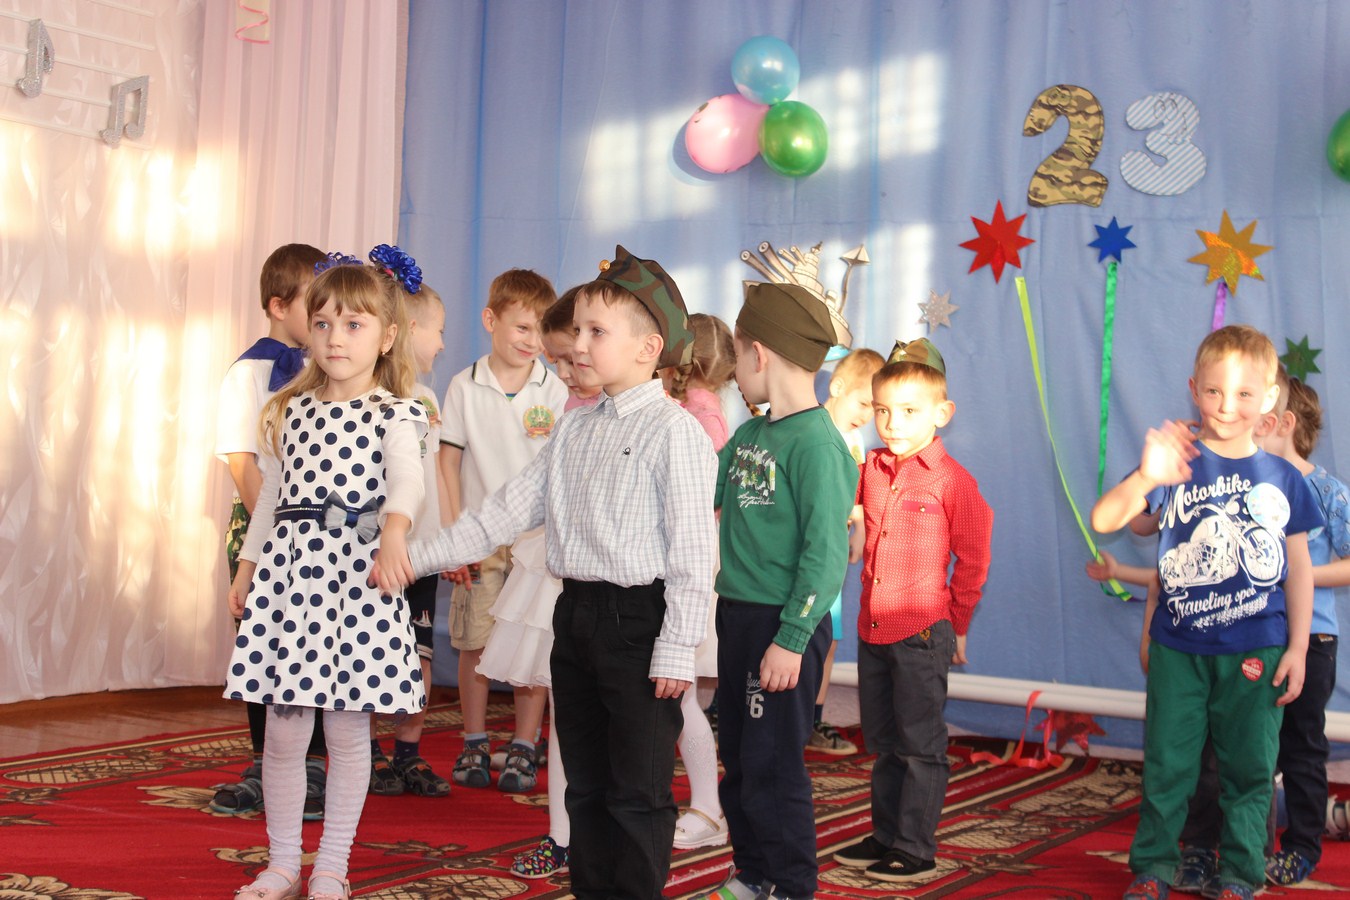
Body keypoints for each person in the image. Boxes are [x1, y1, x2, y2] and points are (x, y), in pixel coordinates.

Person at [384, 245, 717, 900]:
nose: (578, 344)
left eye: (597, 332)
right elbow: (502, 512)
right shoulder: (574, 429)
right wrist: (415, 557)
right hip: (577, 616)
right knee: (584, 785)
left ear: (649, 348)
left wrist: (678, 645)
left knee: (636, 791)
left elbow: (692, 552)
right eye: (578, 330)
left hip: (639, 625)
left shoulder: (675, 431)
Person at [1090, 324, 1322, 900]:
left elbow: (1299, 570)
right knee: (1168, 764)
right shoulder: (1175, 462)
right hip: (1179, 648)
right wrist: (1148, 475)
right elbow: (1106, 520)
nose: (1226, 405)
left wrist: (1297, 647)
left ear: (1270, 398)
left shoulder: (1284, 478)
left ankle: (1241, 873)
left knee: (1249, 768)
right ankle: (1153, 867)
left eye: (1244, 393)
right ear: (1194, 389)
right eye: (1214, 391)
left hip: (1256, 648)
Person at [225, 248, 429, 900]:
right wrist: (248, 566)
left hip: (356, 580)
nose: (336, 338)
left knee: (345, 730)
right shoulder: (291, 409)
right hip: (292, 583)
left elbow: (408, 480)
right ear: (308, 331)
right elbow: (272, 498)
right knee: (285, 733)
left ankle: (332, 866)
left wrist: (393, 531)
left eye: (354, 324)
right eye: (324, 324)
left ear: (386, 336)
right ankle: (284, 863)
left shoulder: (396, 413)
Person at [698, 282, 858, 900]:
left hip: (783, 626)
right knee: (740, 756)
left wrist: (791, 639)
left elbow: (825, 556)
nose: (735, 373)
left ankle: (792, 884)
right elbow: (702, 496)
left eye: (738, 358)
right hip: (738, 618)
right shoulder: (749, 437)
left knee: (774, 765)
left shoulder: (819, 446)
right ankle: (753, 871)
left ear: (759, 354)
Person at [832, 338, 993, 883]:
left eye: (908, 411)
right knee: (885, 744)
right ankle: (886, 835)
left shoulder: (952, 481)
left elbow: (973, 559)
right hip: (873, 630)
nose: (892, 424)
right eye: (882, 410)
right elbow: (839, 500)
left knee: (921, 746)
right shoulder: (872, 468)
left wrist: (957, 625)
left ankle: (915, 847)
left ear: (941, 413)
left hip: (923, 634)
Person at [489, 286, 603, 880]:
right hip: (558, 572)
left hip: (611, 586)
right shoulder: (570, 414)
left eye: (568, 359)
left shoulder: (642, 417)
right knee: (566, 710)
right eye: (555, 360)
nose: (562, 373)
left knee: (608, 723)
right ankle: (561, 836)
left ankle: (603, 838)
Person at [438, 268, 567, 794]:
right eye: (521, 328)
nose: (531, 341)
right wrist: (454, 536)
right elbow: (447, 464)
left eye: (540, 331)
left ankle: (523, 744)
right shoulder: (463, 386)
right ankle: (473, 740)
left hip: (534, 544)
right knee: (475, 643)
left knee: (531, 647)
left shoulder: (554, 389)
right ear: (491, 320)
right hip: (479, 538)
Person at [213, 242, 329, 821]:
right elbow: (244, 464)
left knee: (315, 641)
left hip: (318, 529)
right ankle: (264, 762)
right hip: (265, 527)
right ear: (279, 306)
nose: (326, 320)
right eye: (315, 306)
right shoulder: (249, 372)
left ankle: (313, 763)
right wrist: (271, 540)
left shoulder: (329, 369)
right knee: (263, 645)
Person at [368, 281, 452, 798]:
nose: (442, 344)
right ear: (411, 329)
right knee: (370, 651)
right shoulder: (374, 400)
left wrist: (450, 541)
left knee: (418, 654)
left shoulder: (427, 399)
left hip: (422, 554)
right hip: (379, 553)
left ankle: (408, 752)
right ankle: (367, 752)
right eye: (438, 331)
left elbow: (435, 472)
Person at [661, 312, 737, 850]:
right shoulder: (686, 408)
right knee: (672, 692)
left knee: (680, 690)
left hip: (687, 564)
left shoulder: (701, 416)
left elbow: (701, 498)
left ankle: (709, 808)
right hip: (673, 559)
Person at [811, 346, 885, 757]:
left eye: (874, 408)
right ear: (837, 387)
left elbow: (852, 495)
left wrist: (859, 525)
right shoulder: (810, 428)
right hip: (802, 554)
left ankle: (813, 718)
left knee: (828, 637)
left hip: (833, 554)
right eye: (863, 403)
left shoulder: (854, 442)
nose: (867, 416)